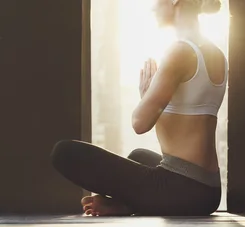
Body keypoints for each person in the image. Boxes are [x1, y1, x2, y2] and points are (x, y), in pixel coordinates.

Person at [51, 0, 227, 216]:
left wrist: (145, 96)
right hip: (208, 190)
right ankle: (125, 205)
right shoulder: (214, 53)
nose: (153, 8)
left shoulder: (179, 52)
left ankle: (125, 205)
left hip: (182, 190)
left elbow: (140, 123)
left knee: (64, 152)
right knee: (139, 155)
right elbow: (185, 123)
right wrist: (152, 99)